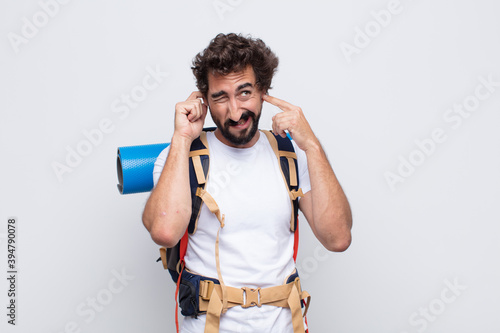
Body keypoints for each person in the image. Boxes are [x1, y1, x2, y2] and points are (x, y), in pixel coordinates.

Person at [142, 33, 352, 333]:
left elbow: (338, 238)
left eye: (244, 93)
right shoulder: (181, 155)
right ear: (204, 98)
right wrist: (181, 138)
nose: (235, 111)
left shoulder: (292, 154)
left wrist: (313, 146)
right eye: (220, 97)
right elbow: (164, 232)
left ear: (263, 90)